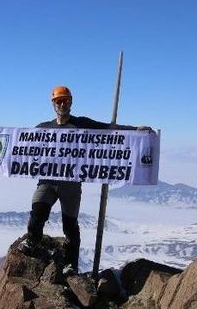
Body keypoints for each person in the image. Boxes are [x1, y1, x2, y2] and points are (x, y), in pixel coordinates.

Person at [21, 85, 151, 276]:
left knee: (70, 224)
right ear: (53, 103)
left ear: (71, 101)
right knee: (38, 210)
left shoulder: (81, 124)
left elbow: (109, 129)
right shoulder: (43, 128)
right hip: (47, 181)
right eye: (59, 100)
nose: (62, 104)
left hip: (71, 184)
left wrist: (135, 130)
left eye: (65, 100)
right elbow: (22, 146)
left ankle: (71, 263)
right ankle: (33, 240)